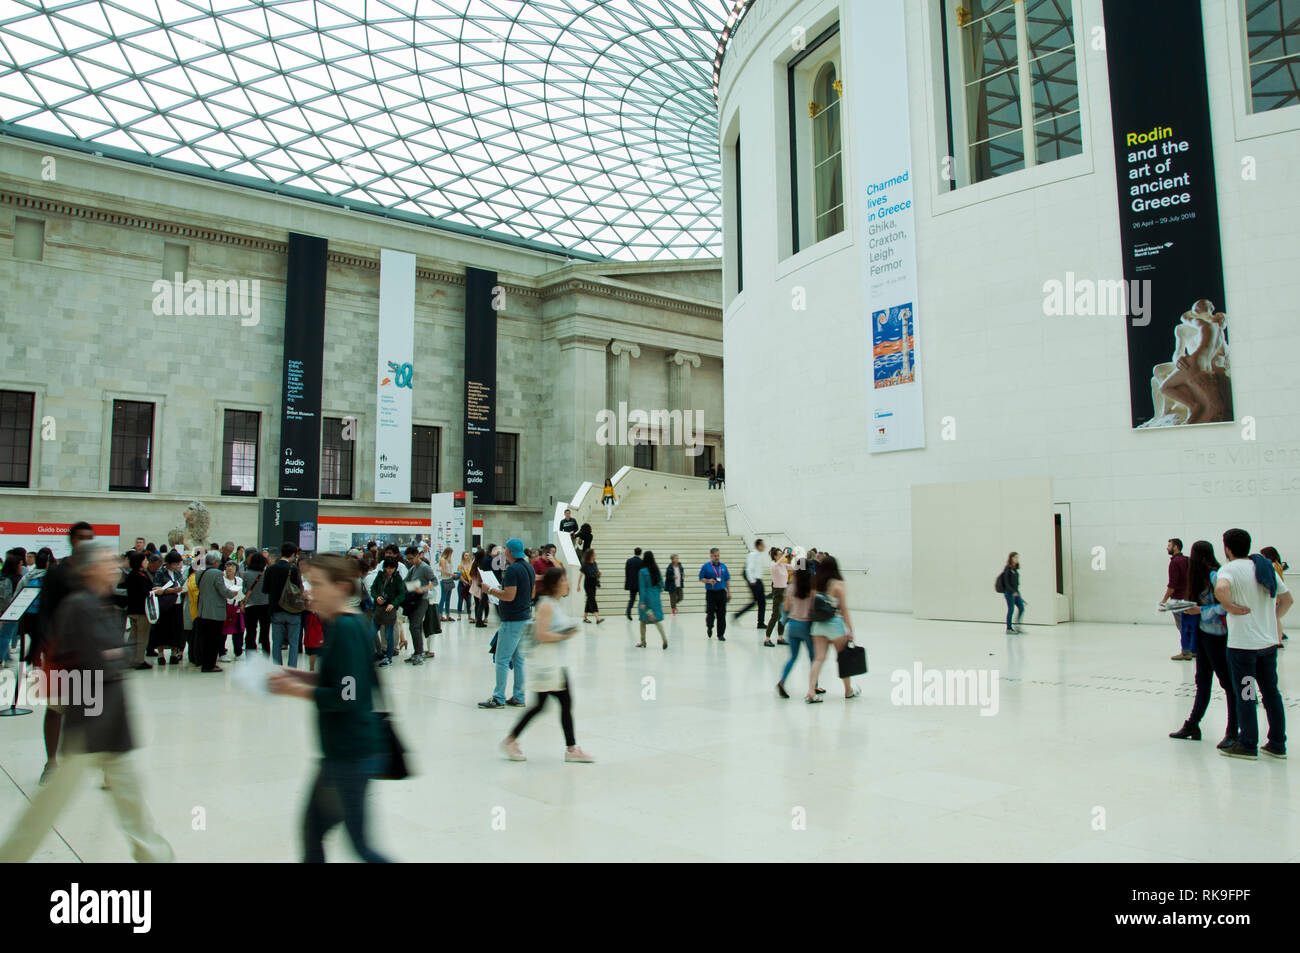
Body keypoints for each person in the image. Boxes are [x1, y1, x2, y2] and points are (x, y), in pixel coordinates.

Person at [0, 541, 175, 862]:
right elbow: (96, 661)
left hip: (108, 725)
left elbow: (108, 658)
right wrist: (113, 657)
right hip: (90, 726)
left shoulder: (98, 604)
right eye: (106, 562)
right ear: (89, 569)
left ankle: (157, 858)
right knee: (47, 810)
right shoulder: (79, 606)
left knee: (133, 807)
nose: (114, 566)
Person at [269, 554, 391, 862]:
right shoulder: (343, 624)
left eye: (316, 584)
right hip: (341, 753)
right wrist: (298, 675)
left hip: (350, 755)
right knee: (314, 831)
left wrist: (295, 690)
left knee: (359, 845)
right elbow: (343, 678)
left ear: (340, 587)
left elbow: (346, 695)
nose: (309, 591)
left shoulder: (347, 629)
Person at [499, 567, 593, 763]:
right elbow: (541, 635)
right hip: (549, 665)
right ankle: (570, 748)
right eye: (564, 580)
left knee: (548, 705)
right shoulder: (547, 605)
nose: (567, 583)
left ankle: (513, 740)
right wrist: (565, 634)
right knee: (557, 704)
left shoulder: (555, 604)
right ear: (555, 584)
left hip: (555, 664)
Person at [1215, 528, 1292, 759]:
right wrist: (1273, 617)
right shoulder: (1264, 567)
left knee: (1247, 694)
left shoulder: (1228, 569)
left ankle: (1248, 743)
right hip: (1267, 646)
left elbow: (1220, 589)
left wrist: (1231, 608)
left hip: (1243, 648)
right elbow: (1288, 599)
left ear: (1227, 548)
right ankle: (1278, 743)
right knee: (1271, 693)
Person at [1169, 541, 1236, 746]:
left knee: (1228, 684)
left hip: (1218, 636)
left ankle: (1233, 730)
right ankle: (1193, 723)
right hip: (1205, 634)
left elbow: (1225, 607)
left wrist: (1201, 611)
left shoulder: (1216, 576)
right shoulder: (1200, 576)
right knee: (1202, 682)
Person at [477, 539, 534, 710]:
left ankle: (499, 697)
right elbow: (531, 593)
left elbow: (509, 596)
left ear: (509, 552)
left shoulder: (512, 570)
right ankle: (519, 696)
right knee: (519, 660)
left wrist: (491, 590)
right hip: (525, 618)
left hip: (512, 620)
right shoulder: (528, 568)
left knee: (502, 659)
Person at [805, 555, 860, 702]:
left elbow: (812, 606)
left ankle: (811, 691)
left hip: (817, 626)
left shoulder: (815, 582)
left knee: (818, 659)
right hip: (834, 625)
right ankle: (848, 690)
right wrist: (850, 630)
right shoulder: (838, 584)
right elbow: (844, 609)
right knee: (842, 659)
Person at [777, 554, 819, 699]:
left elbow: (787, 608)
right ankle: (814, 686)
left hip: (793, 626)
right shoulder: (811, 587)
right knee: (814, 658)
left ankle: (782, 681)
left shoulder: (790, 587)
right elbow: (815, 608)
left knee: (793, 657)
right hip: (806, 626)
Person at [264, 542, 304, 669]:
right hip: (292, 610)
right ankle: (292, 669)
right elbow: (298, 589)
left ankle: (277, 669)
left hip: (276, 609)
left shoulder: (270, 569)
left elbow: (265, 589)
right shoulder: (294, 570)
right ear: (293, 554)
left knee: (276, 642)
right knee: (293, 642)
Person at [195, 551, 233, 672]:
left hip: (203, 609)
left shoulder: (200, 572)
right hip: (215, 611)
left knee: (206, 639)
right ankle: (209, 665)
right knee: (214, 639)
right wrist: (233, 594)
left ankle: (206, 663)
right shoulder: (216, 573)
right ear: (216, 562)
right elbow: (222, 590)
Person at [151, 550, 186, 665]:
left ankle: (174, 653)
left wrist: (181, 589)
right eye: (175, 563)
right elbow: (156, 588)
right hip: (165, 605)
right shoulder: (160, 572)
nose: (177, 566)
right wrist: (171, 590)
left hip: (177, 604)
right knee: (162, 629)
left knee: (175, 630)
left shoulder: (177, 573)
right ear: (169, 563)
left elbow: (182, 584)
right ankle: (161, 654)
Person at [370, 556, 405, 667]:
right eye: (387, 568)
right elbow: (373, 589)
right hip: (378, 608)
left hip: (390, 609)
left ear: (395, 568)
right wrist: (376, 597)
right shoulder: (380, 576)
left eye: (391, 568)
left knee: (389, 635)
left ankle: (389, 657)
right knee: (371, 632)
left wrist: (393, 604)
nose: (389, 570)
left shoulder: (398, 578)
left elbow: (402, 594)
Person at [402, 545, 435, 665]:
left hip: (423, 600)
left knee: (414, 626)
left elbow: (435, 581)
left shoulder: (425, 567)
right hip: (413, 600)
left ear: (417, 555)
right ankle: (417, 652)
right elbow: (405, 581)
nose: (410, 561)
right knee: (416, 626)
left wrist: (423, 588)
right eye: (408, 559)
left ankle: (420, 653)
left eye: (411, 558)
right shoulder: (413, 568)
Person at [1163, 538, 1193, 660]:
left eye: (1169, 545)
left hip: (1178, 600)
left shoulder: (1174, 562)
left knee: (1182, 625)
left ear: (1176, 547)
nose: (1167, 547)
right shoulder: (1187, 560)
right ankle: (1192, 649)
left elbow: (1172, 585)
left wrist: (1164, 600)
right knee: (1189, 625)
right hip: (1189, 598)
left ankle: (1186, 651)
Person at [733, 538, 768, 631]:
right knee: (755, 602)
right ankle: (737, 615)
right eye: (762, 545)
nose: (764, 546)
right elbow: (748, 569)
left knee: (762, 602)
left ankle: (760, 622)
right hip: (754, 581)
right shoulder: (752, 555)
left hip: (758, 580)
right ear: (758, 546)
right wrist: (752, 580)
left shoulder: (759, 555)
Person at [637, 551, 668, 649]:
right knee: (656, 619)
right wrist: (656, 592)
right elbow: (662, 585)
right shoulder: (656, 570)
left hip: (646, 599)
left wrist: (642, 602)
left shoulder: (642, 572)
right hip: (655, 598)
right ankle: (664, 639)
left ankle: (643, 641)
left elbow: (642, 588)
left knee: (643, 621)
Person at [242, 550, 271, 654]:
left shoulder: (246, 574)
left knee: (250, 631)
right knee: (265, 632)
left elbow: (244, 590)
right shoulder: (266, 573)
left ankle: (250, 654)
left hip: (250, 605)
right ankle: (266, 653)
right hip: (265, 605)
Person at [698, 548, 731, 640]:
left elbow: (727, 580)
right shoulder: (706, 566)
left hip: (721, 593)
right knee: (710, 613)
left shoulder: (723, 567)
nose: (717, 557)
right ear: (711, 556)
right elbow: (701, 578)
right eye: (715, 556)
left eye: (718, 555)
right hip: (711, 593)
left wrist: (729, 592)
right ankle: (709, 626)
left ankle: (720, 634)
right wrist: (708, 581)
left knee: (722, 614)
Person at [219, 559, 246, 661]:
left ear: (236, 569)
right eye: (228, 566)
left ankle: (238, 652)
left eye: (232, 566)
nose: (230, 568)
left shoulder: (239, 580)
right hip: (225, 608)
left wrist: (242, 604)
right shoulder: (221, 579)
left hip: (236, 608)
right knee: (223, 632)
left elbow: (242, 593)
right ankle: (221, 652)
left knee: (238, 631)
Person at [1261, 546, 1288, 643]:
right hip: (1279, 594)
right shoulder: (1278, 564)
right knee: (1276, 618)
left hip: (1275, 595)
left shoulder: (1272, 566)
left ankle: (1278, 639)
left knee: (1275, 618)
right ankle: (1279, 638)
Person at [766, 547, 790, 647]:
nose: (782, 555)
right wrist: (784, 555)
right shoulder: (773, 565)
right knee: (775, 615)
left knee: (782, 616)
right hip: (778, 592)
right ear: (775, 556)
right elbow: (776, 565)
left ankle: (780, 637)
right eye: (779, 554)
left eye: (782, 554)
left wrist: (798, 557)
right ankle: (767, 639)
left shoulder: (783, 565)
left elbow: (798, 567)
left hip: (785, 591)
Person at [999, 553, 1026, 634]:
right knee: (1011, 609)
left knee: (1021, 608)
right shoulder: (1008, 568)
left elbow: (1015, 583)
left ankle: (1017, 626)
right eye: (1015, 557)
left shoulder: (1015, 569)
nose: (1017, 559)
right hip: (1009, 593)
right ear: (1011, 558)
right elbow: (1006, 582)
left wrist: (1017, 593)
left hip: (1016, 593)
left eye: (1017, 557)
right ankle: (1009, 628)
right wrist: (1012, 591)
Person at [578, 549, 604, 624]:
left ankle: (585, 618)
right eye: (594, 553)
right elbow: (580, 575)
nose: (595, 554)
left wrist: (599, 574)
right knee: (592, 599)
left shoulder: (594, 563)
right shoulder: (585, 564)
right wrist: (578, 585)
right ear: (591, 555)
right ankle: (597, 618)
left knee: (590, 599)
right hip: (588, 584)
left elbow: (596, 572)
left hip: (594, 583)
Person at [623, 547, 643, 620]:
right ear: (640, 553)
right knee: (642, 599)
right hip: (640, 584)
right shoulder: (641, 562)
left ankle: (628, 611)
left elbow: (627, 573)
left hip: (632, 584)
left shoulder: (629, 561)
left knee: (632, 599)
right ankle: (642, 613)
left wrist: (627, 583)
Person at [437, 547, 455, 622]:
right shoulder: (443, 560)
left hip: (449, 580)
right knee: (443, 598)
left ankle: (448, 615)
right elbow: (444, 571)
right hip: (444, 580)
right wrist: (453, 575)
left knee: (448, 599)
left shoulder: (449, 560)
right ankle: (439, 614)